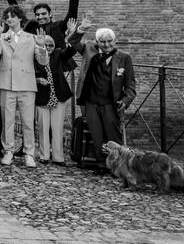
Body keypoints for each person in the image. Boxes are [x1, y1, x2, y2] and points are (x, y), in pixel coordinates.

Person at [70, 25, 136, 172]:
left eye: (110, 41)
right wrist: (80, 29)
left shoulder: (124, 57)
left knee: (113, 134)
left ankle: (119, 166)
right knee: (96, 134)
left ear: (115, 40)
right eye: (102, 41)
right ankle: (101, 164)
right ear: (97, 42)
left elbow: (131, 83)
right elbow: (73, 41)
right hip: (91, 101)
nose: (106, 45)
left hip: (111, 102)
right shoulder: (89, 49)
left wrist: (125, 101)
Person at [0, 6, 49, 168]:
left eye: (13, 16)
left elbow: (43, 62)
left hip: (27, 84)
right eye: (7, 16)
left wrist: (42, 47)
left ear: (20, 18)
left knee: (28, 121)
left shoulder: (31, 38)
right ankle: (8, 151)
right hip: (6, 82)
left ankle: (29, 153)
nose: (9, 19)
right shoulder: (2, 36)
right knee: (7, 120)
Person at [35, 28, 77, 166]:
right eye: (45, 45)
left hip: (59, 96)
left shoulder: (58, 54)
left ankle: (58, 157)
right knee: (43, 128)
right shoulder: (34, 56)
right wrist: (37, 80)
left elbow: (70, 51)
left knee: (57, 127)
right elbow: (28, 73)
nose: (48, 48)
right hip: (42, 97)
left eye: (51, 45)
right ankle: (44, 155)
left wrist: (70, 38)